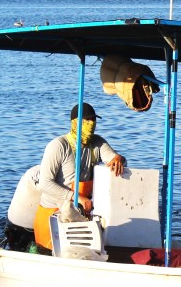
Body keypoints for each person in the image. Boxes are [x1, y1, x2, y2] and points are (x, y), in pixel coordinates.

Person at [33, 103, 126, 253]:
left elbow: (115, 160)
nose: (91, 124)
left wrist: (119, 159)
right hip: (53, 215)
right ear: (75, 122)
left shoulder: (97, 143)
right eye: (86, 120)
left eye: (93, 120)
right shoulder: (58, 146)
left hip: (79, 216)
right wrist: (77, 197)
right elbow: (44, 183)